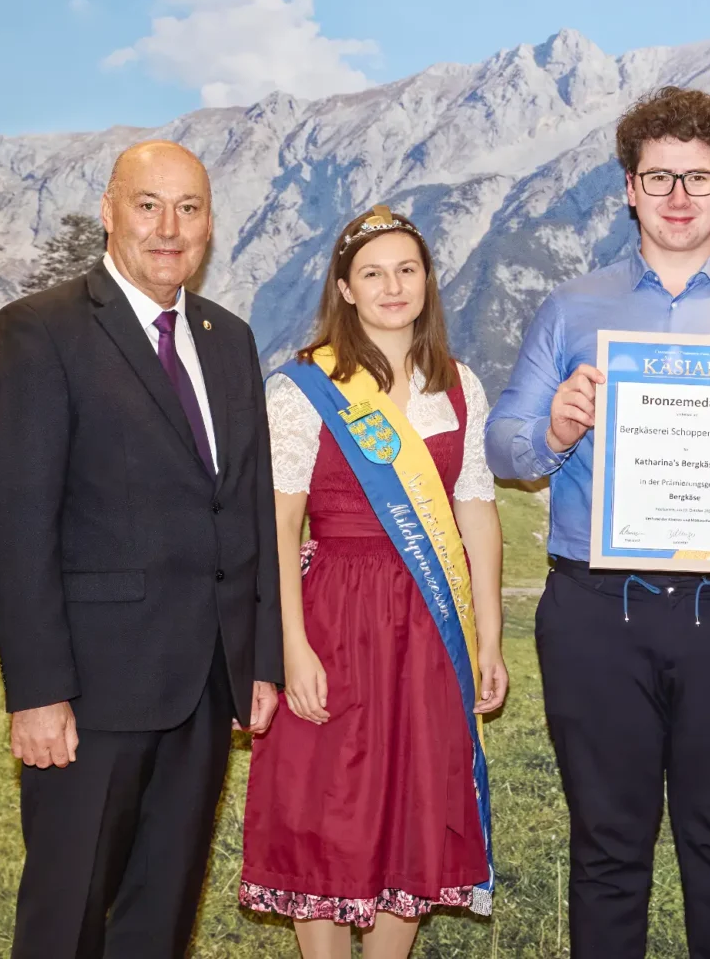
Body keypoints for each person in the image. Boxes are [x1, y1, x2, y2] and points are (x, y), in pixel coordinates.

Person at [484, 86, 710, 959]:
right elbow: (503, 445)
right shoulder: (572, 310)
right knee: (607, 852)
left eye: (698, 177)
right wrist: (557, 427)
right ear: (630, 190)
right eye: (658, 178)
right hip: (598, 616)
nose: (678, 196)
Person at [0, 140, 283, 958]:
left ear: (211, 225)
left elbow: (247, 508)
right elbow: (14, 525)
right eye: (149, 205)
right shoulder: (40, 332)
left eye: (190, 208)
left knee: (161, 919)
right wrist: (37, 692)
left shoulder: (230, 340)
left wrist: (259, 660)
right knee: (65, 918)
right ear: (110, 212)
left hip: (205, 690)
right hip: (89, 698)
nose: (169, 228)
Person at [237, 206, 507, 959]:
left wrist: (489, 637)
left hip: (429, 622)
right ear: (345, 290)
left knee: (416, 798)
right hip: (332, 615)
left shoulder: (459, 387)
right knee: (321, 800)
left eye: (408, 269)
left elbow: (476, 515)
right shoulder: (303, 389)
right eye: (373, 274)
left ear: (427, 281)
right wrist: (288, 647)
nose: (393, 287)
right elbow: (279, 528)